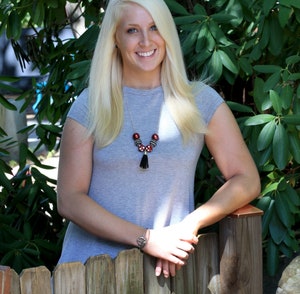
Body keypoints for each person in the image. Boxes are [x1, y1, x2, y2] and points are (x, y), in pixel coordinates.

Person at [57, 0, 260, 278]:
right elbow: (69, 199)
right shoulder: (90, 105)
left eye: (154, 27)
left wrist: (190, 224)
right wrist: (146, 238)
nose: (145, 40)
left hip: (165, 277)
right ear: (114, 38)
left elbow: (246, 179)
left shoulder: (199, 102)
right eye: (132, 30)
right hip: (89, 274)